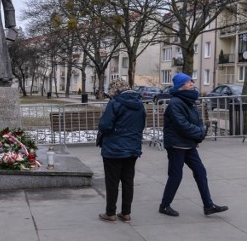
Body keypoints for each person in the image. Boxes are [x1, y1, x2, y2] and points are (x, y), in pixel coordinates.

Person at [158, 73, 229, 217]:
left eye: (191, 81)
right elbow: (182, 125)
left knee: (200, 172)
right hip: (177, 145)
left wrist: (201, 130)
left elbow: (197, 120)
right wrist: (199, 132)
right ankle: (164, 206)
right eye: (188, 82)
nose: (191, 83)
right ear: (180, 86)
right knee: (176, 176)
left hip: (188, 144)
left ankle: (208, 206)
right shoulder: (175, 103)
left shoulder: (189, 100)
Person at [97, 78, 146, 223]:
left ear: (115, 90)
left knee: (112, 181)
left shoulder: (115, 103)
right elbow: (141, 124)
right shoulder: (139, 104)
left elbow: (105, 125)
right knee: (128, 180)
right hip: (132, 147)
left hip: (114, 148)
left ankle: (110, 213)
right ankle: (126, 213)